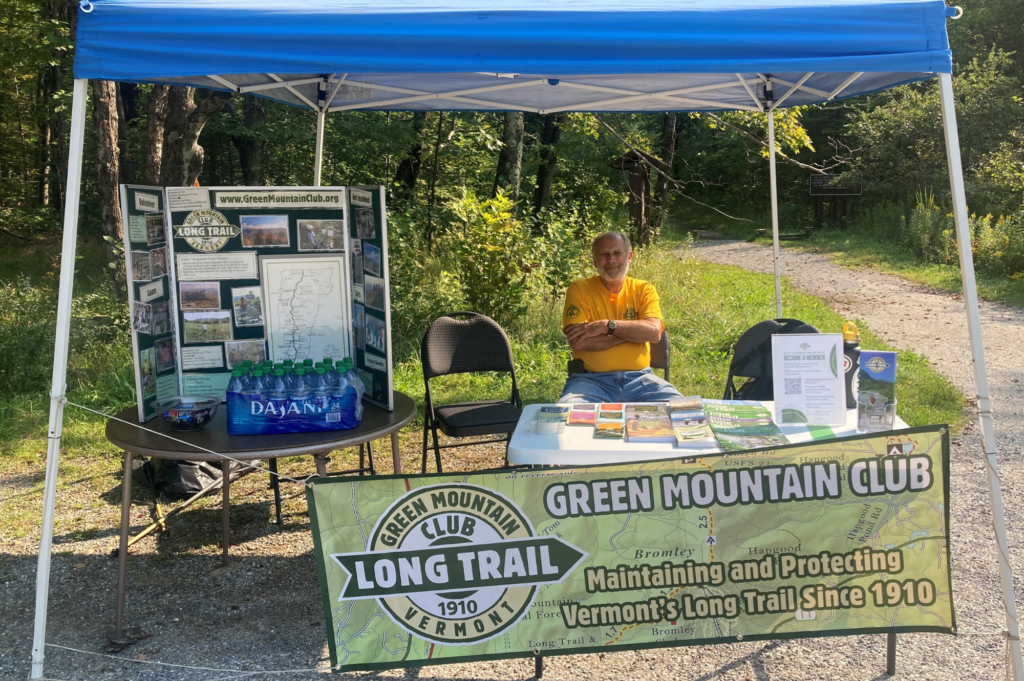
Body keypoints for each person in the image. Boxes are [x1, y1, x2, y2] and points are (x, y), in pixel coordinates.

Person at [559, 231, 683, 404]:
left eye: (617, 253)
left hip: (642, 381)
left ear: (629, 256)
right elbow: (579, 342)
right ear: (595, 261)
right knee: (567, 417)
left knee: (684, 413)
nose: (611, 260)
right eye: (604, 255)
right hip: (589, 382)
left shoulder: (644, 289)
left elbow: (654, 333)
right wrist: (633, 334)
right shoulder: (579, 289)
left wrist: (607, 326)